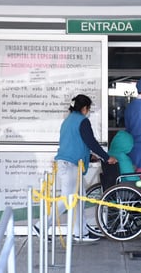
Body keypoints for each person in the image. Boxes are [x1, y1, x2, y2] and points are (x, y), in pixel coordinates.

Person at [33, 94, 117, 242]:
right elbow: (91, 142)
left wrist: (90, 156)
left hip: (70, 164)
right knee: (67, 199)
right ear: (84, 108)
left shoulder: (68, 121)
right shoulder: (82, 121)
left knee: (79, 199)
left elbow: (75, 143)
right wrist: (106, 157)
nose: (88, 111)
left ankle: (81, 232)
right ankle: (41, 225)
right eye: (88, 108)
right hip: (70, 165)